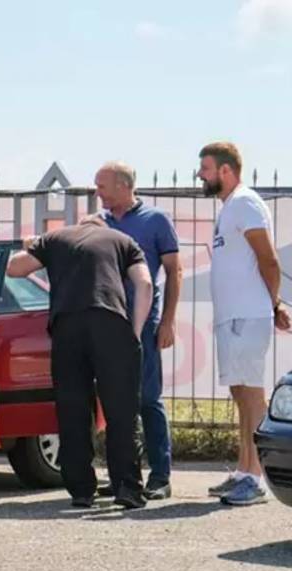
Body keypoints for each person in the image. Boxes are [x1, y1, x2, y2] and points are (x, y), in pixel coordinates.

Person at [8, 216, 153, 509]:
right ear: (102, 229)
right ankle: (127, 487)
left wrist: (33, 245)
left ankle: (81, 490)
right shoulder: (123, 241)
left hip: (67, 326)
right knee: (121, 410)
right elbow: (145, 284)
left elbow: (15, 268)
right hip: (110, 323)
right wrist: (134, 333)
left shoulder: (56, 238)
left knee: (72, 408)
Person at [198, 141, 291, 506]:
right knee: (240, 393)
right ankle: (242, 471)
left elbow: (268, 259)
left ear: (225, 170)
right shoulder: (230, 208)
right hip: (234, 316)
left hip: (248, 315)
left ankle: (255, 479)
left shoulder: (245, 202)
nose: (200, 175)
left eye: (205, 168)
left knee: (251, 394)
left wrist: (275, 302)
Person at [94, 161, 182, 500]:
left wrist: (168, 321)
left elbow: (175, 272)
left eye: (102, 186)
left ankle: (160, 476)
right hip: (106, 324)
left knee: (148, 399)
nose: (97, 192)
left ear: (123, 186)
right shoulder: (98, 223)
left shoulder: (156, 221)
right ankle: (122, 476)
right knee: (115, 403)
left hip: (143, 326)